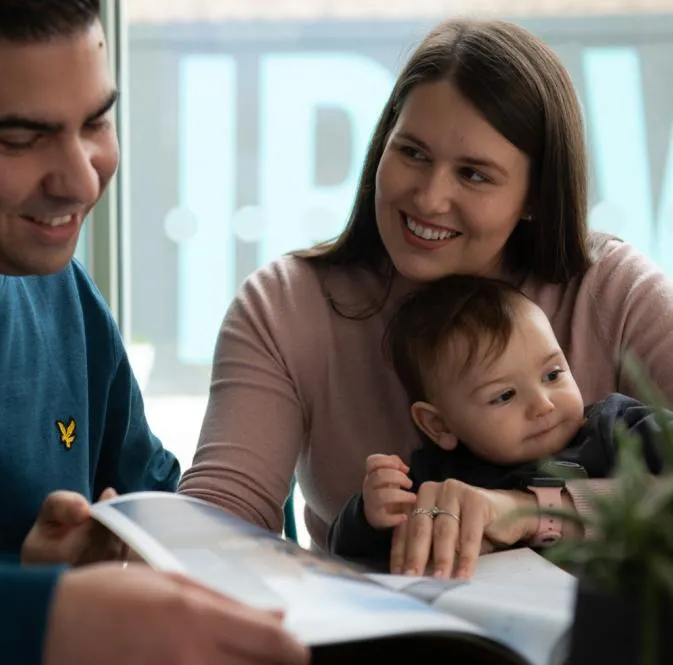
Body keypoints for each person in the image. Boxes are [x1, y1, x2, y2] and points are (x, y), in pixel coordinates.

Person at [0, 2, 309, 664]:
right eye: (20, 140)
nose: (80, 178)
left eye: (97, 121)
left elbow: (153, 496)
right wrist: (39, 613)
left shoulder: (58, 287)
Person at [178, 17, 673, 581]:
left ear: (535, 197)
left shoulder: (615, 290)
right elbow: (220, 519)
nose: (430, 197)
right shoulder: (284, 307)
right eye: (412, 153)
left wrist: (528, 511)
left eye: (474, 175)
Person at [327, 274, 668, 574]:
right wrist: (371, 515)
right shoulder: (437, 479)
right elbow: (344, 557)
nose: (543, 404)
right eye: (504, 395)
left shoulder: (615, 428)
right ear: (439, 425)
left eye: (552, 374)